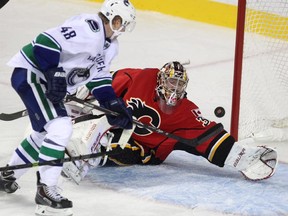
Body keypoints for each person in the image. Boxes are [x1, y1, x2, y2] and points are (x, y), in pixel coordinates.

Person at [0, 0, 136, 215]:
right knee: (60, 126)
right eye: (120, 21)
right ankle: (47, 191)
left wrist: (113, 104)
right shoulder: (89, 28)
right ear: (111, 16)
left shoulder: (110, 46)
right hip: (32, 74)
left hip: (44, 80)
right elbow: (45, 42)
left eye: (125, 24)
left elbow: (98, 78)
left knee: (44, 132)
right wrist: (53, 71)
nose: (122, 28)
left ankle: (8, 175)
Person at [62, 61, 278, 184]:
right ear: (160, 80)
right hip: (118, 123)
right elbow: (109, 82)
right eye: (171, 82)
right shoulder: (141, 78)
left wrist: (242, 158)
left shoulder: (185, 111)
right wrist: (85, 93)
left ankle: (83, 160)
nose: (174, 89)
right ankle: (69, 141)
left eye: (179, 84)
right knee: (97, 119)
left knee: (117, 145)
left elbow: (209, 138)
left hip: (146, 148)